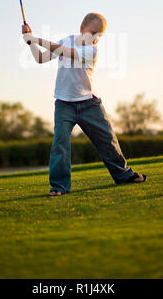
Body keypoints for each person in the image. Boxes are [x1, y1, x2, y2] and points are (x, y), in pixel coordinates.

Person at [22, 12, 146, 196]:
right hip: (64, 104)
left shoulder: (92, 51)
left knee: (107, 140)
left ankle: (123, 175)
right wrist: (30, 42)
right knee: (60, 144)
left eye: (100, 35)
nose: (96, 38)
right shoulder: (66, 40)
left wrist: (34, 38)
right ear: (82, 28)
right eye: (93, 32)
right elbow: (40, 59)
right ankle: (59, 186)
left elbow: (65, 52)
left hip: (89, 103)